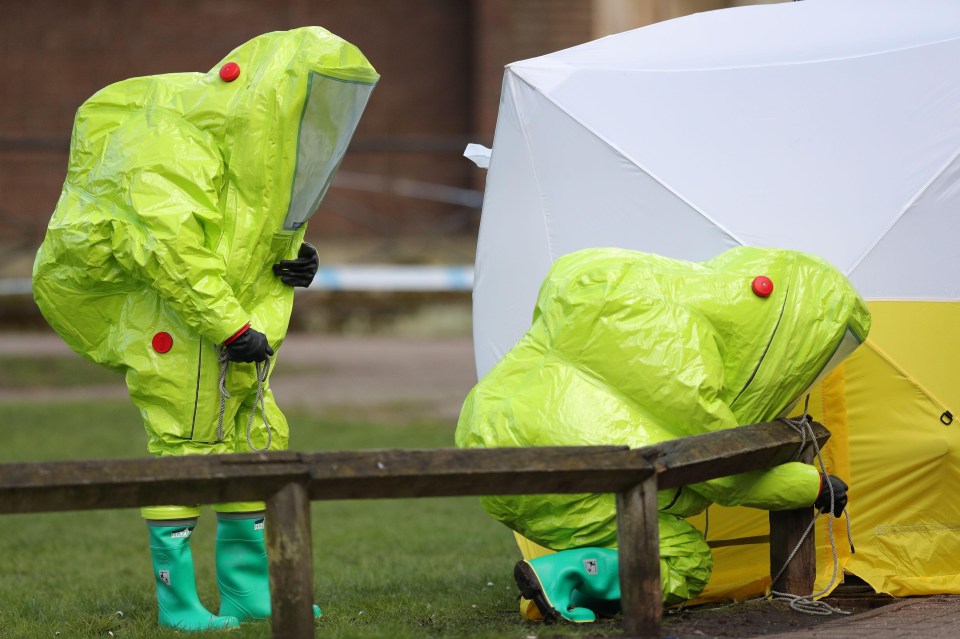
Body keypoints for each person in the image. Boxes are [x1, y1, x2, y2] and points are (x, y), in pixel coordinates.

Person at [32, 27, 378, 631]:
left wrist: (294, 259)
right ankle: (179, 604)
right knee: (186, 443)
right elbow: (175, 254)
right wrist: (230, 325)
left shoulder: (251, 149)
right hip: (169, 315)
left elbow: (240, 232)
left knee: (253, 440)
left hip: (219, 321)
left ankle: (248, 594)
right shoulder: (168, 142)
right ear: (277, 96)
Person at [455, 246, 868, 622]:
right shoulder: (684, 354)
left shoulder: (637, 295)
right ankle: (565, 576)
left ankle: (558, 591)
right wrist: (811, 485)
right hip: (578, 463)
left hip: (487, 430)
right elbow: (720, 467)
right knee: (683, 559)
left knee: (626, 530)